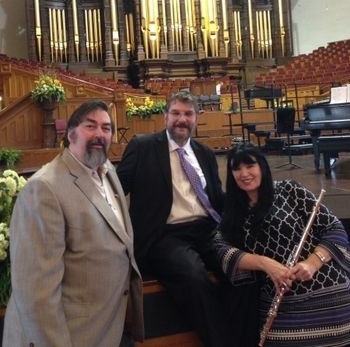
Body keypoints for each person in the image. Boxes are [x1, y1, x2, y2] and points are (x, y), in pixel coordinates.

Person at [3, 100, 144, 347]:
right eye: (91, 126)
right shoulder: (44, 189)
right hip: (72, 334)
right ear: (70, 134)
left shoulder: (107, 169)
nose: (100, 134)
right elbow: (37, 295)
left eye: (106, 128)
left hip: (110, 324)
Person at [117, 91, 233, 347]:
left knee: (241, 266)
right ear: (165, 116)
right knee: (193, 275)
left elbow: (217, 197)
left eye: (188, 114)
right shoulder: (143, 146)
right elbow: (115, 191)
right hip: (164, 236)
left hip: (207, 229)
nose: (182, 119)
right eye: (176, 113)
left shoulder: (205, 153)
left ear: (196, 119)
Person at [214, 142, 350, 347]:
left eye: (250, 166)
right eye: (237, 168)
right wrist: (265, 264)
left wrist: (312, 263)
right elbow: (221, 248)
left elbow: (334, 228)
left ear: (262, 166)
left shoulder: (289, 189)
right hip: (281, 300)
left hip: (327, 290)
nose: (244, 173)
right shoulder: (233, 211)